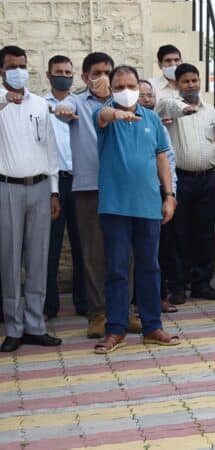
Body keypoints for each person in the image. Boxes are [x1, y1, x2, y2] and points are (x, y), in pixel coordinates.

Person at [91, 65, 179, 354]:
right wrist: (116, 113)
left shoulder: (152, 119)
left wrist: (169, 195)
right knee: (117, 268)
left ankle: (153, 326)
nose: (126, 91)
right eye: (119, 86)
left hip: (148, 206)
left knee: (150, 267)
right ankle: (115, 329)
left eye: (131, 85)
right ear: (111, 88)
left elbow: (162, 158)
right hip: (114, 207)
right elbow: (102, 117)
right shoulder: (104, 114)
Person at [55, 52, 142, 339]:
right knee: (94, 254)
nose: (103, 78)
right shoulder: (77, 102)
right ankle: (98, 314)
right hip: (89, 188)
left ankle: (123, 311)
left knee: (125, 253)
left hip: (123, 189)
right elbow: (62, 105)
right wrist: (64, 108)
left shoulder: (124, 102)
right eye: (96, 73)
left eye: (108, 72)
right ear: (84, 77)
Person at [0, 45, 62, 352]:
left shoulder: (40, 104)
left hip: (40, 187)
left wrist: (53, 190)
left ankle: (35, 324)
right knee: (10, 259)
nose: (18, 71)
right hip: (7, 188)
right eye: (12, 66)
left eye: (22, 65)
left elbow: (50, 149)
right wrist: (4, 98)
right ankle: (13, 326)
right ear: (2, 71)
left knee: (38, 257)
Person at [156, 63, 215, 301]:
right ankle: (178, 285)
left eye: (194, 80)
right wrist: (182, 109)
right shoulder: (169, 107)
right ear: (177, 83)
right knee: (179, 234)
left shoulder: (211, 112)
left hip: (206, 180)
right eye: (185, 81)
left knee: (205, 234)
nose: (191, 85)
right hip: (180, 180)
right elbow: (165, 105)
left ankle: (202, 283)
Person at [43, 55, 86, 319]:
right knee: (50, 247)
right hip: (53, 183)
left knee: (84, 246)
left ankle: (84, 302)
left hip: (81, 181)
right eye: (58, 71)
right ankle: (49, 306)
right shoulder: (39, 105)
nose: (64, 75)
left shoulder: (82, 104)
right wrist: (51, 190)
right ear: (48, 75)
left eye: (68, 72)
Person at [138, 79, 180, 313]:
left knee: (160, 249)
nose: (146, 99)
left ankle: (159, 297)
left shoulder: (158, 125)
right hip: (132, 196)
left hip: (157, 195)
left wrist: (170, 194)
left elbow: (168, 161)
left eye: (149, 95)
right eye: (141, 94)